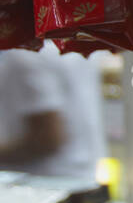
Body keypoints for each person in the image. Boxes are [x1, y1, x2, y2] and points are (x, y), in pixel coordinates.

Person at [0, 41, 105, 179]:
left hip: (43, 182)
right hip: (84, 176)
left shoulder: (26, 56)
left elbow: (47, 138)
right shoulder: (71, 45)